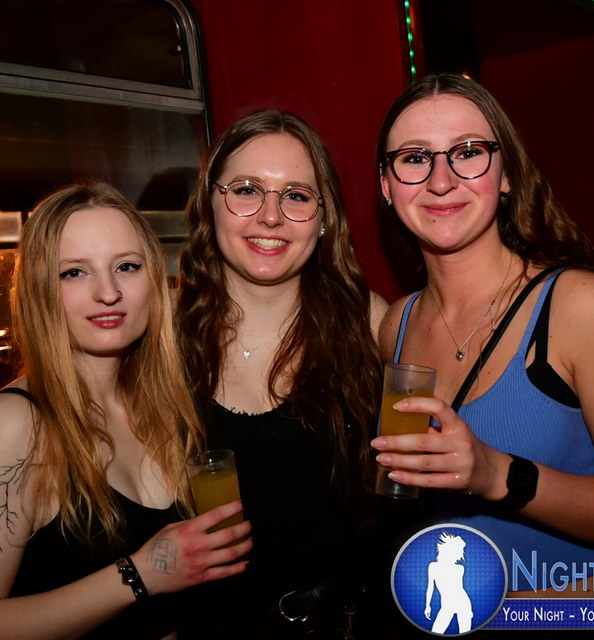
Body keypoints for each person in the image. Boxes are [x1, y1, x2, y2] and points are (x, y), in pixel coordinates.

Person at [372, 73, 594, 600]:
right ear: (387, 185)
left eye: (468, 152)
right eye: (414, 157)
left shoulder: (579, 306)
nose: (441, 180)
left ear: (507, 174)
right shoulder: (396, 326)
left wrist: (497, 474)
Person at [0, 183, 252, 640]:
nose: (109, 292)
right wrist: (140, 575)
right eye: (73, 272)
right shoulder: (16, 423)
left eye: (127, 267)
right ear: (38, 290)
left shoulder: (164, 405)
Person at [177, 109, 387, 637]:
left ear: (324, 217)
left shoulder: (368, 324)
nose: (270, 217)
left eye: (296, 195)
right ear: (210, 203)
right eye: (246, 190)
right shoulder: (161, 339)